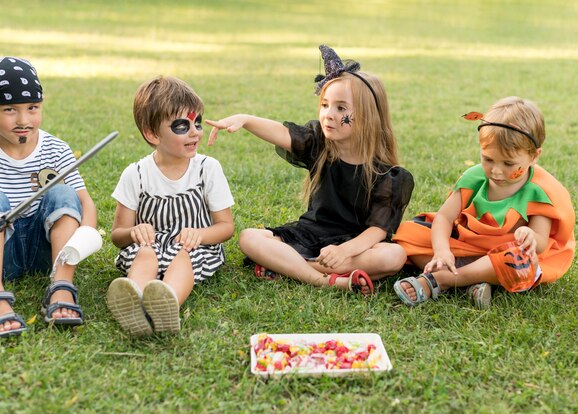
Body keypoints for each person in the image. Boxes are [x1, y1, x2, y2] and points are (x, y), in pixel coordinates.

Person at [206, 45, 414, 295]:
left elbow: (376, 231)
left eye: (340, 108)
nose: (328, 114)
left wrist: (343, 251)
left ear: (368, 116)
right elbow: (282, 133)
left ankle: (291, 267)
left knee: (394, 255)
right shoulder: (319, 145)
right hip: (309, 236)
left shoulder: (389, 176)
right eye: (325, 105)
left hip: (355, 246)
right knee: (249, 238)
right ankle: (324, 280)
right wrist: (245, 119)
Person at [0, 57, 97, 337]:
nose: (23, 120)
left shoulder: (56, 149)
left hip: (50, 253)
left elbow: (85, 203)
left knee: (63, 191)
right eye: (9, 109)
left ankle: (61, 286)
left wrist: (86, 235)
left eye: (33, 108)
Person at [393, 96, 575, 309]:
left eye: (509, 164)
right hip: (463, 248)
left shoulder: (541, 192)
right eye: (488, 159)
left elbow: (541, 243)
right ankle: (471, 282)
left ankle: (441, 280)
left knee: (521, 263)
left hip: (499, 260)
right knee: (407, 234)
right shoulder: (474, 178)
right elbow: (444, 217)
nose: (496, 171)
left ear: (534, 156)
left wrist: (530, 237)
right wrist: (442, 250)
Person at [108, 75, 234, 336]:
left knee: (183, 257)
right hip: (150, 246)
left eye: (196, 123)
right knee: (144, 255)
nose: (194, 132)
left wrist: (200, 234)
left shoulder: (206, 169)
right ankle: (134, 303)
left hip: (193, 247)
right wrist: (133, 232)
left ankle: (167, 303)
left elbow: (226, 227)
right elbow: (117, 235)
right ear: (152, 134)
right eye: (181, 126)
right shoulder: (136, 174)